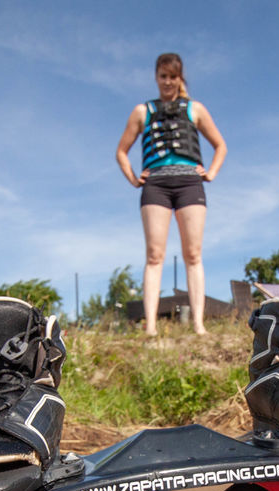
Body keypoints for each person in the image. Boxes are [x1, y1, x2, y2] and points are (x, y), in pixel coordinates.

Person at [116, 52, 227, 336]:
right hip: (156, 187)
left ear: (180, 78)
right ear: (156, 78)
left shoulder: (195, 109)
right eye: (162, 76)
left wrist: (211, 172)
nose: (167, 82)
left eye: (172, 76)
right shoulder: (143, 111)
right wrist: (133, 178)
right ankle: (151, 327)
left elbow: (220, 145)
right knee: (155, 255)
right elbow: (121, 152)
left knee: (193, 253)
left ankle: (198, 325)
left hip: (190, 182)